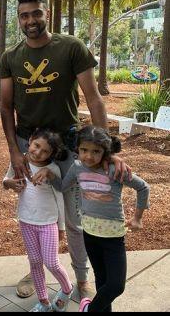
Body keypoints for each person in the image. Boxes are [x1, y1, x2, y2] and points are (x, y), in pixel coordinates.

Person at [0, 0, 131, 299]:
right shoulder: (10, 58)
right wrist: (14, 151)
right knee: (34, 213)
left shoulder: (71, 48)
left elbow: (94, 98)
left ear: (47, 14)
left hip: (69, 146)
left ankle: (81, 276)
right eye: (24, 15)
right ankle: (38, 270)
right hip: (30, 147)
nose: (31, 20)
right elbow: (5, 107)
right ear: (19, 19)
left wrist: (103, 152)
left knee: (74, 217)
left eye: (36, 13)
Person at [47, 126, 150, 312]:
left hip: (113, 237)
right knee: (101, 281)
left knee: (116, 285)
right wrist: (49, 174)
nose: (88, 156)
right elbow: (63, 186)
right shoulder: (77, 167)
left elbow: (143, 187)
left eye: (96, 151)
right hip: (89, 234)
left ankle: (89, 309)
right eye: (84, 150)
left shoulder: (113, 169)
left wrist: (137, 218)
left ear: (105, 152)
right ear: (77, 149)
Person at [3, 128, 73, 312]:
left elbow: (60, 198)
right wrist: (9, 183)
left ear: (52, 154)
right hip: (26, 221)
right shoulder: (19, 161)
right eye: (36, 146)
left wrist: (61, 227)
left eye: (45, 151)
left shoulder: (52, 169)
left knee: (51, 262)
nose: (39, 153)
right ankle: (43, 301)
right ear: (31, 140)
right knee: (34, 261)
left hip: (48, 222)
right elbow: (5, 180)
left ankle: (67, 289)